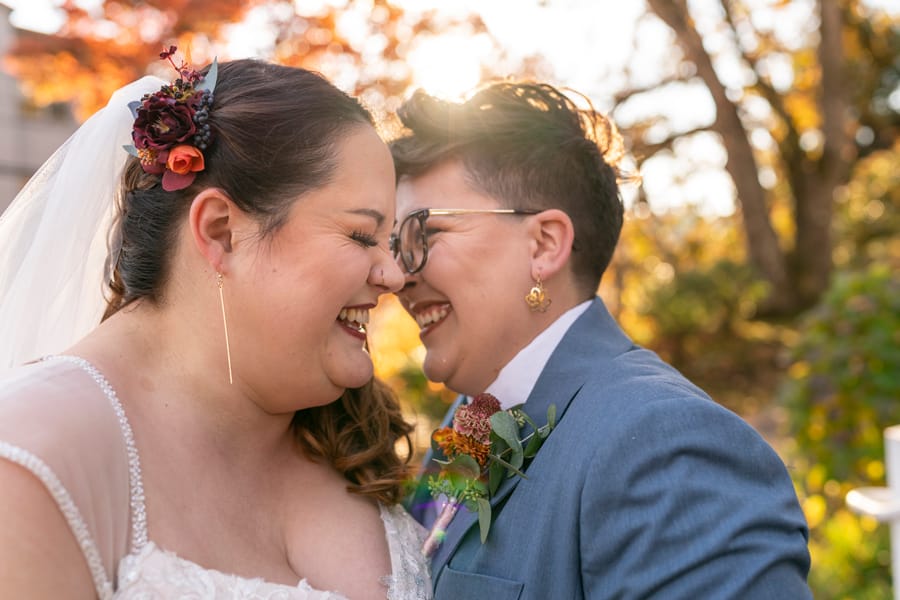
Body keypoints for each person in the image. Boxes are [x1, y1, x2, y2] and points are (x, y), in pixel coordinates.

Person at [0, 55, 432, 599]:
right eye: (361, 236)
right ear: (222, 231)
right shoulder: (30, 460)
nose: (392, 275)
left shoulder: (351, 442)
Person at [388, 81, 812, 598]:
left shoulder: (666, 447)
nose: (395, 274)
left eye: (422, 236)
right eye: (393, 245)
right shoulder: (469, 420)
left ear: (543, 245)